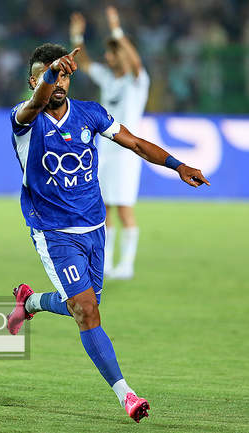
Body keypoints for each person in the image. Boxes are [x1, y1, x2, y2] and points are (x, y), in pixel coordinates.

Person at [6, 43, 209, 423]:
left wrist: (178, 166)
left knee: (82, 306)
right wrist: (51, 74)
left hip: (95, 227)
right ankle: (127, 395)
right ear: (34, 81)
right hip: (54, 232)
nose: (58, 82)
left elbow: (135, 143)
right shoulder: (24, 119)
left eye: (63, 75)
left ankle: (29, 302)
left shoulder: (91, 114)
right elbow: (35, 104)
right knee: (87, 311)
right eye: (49, 76)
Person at [69, 7, 149, 279]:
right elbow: (86, 63)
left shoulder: (137, 82)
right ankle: (105, 263)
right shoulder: (108, 78)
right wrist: (77, 36)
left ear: (120, 55)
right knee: (102, 208)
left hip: (126, 154)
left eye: (111, 53)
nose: (107, 57)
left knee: (124, 209)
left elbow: (135, 62)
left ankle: (127, 264)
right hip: (104, 151)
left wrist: (116, 30)